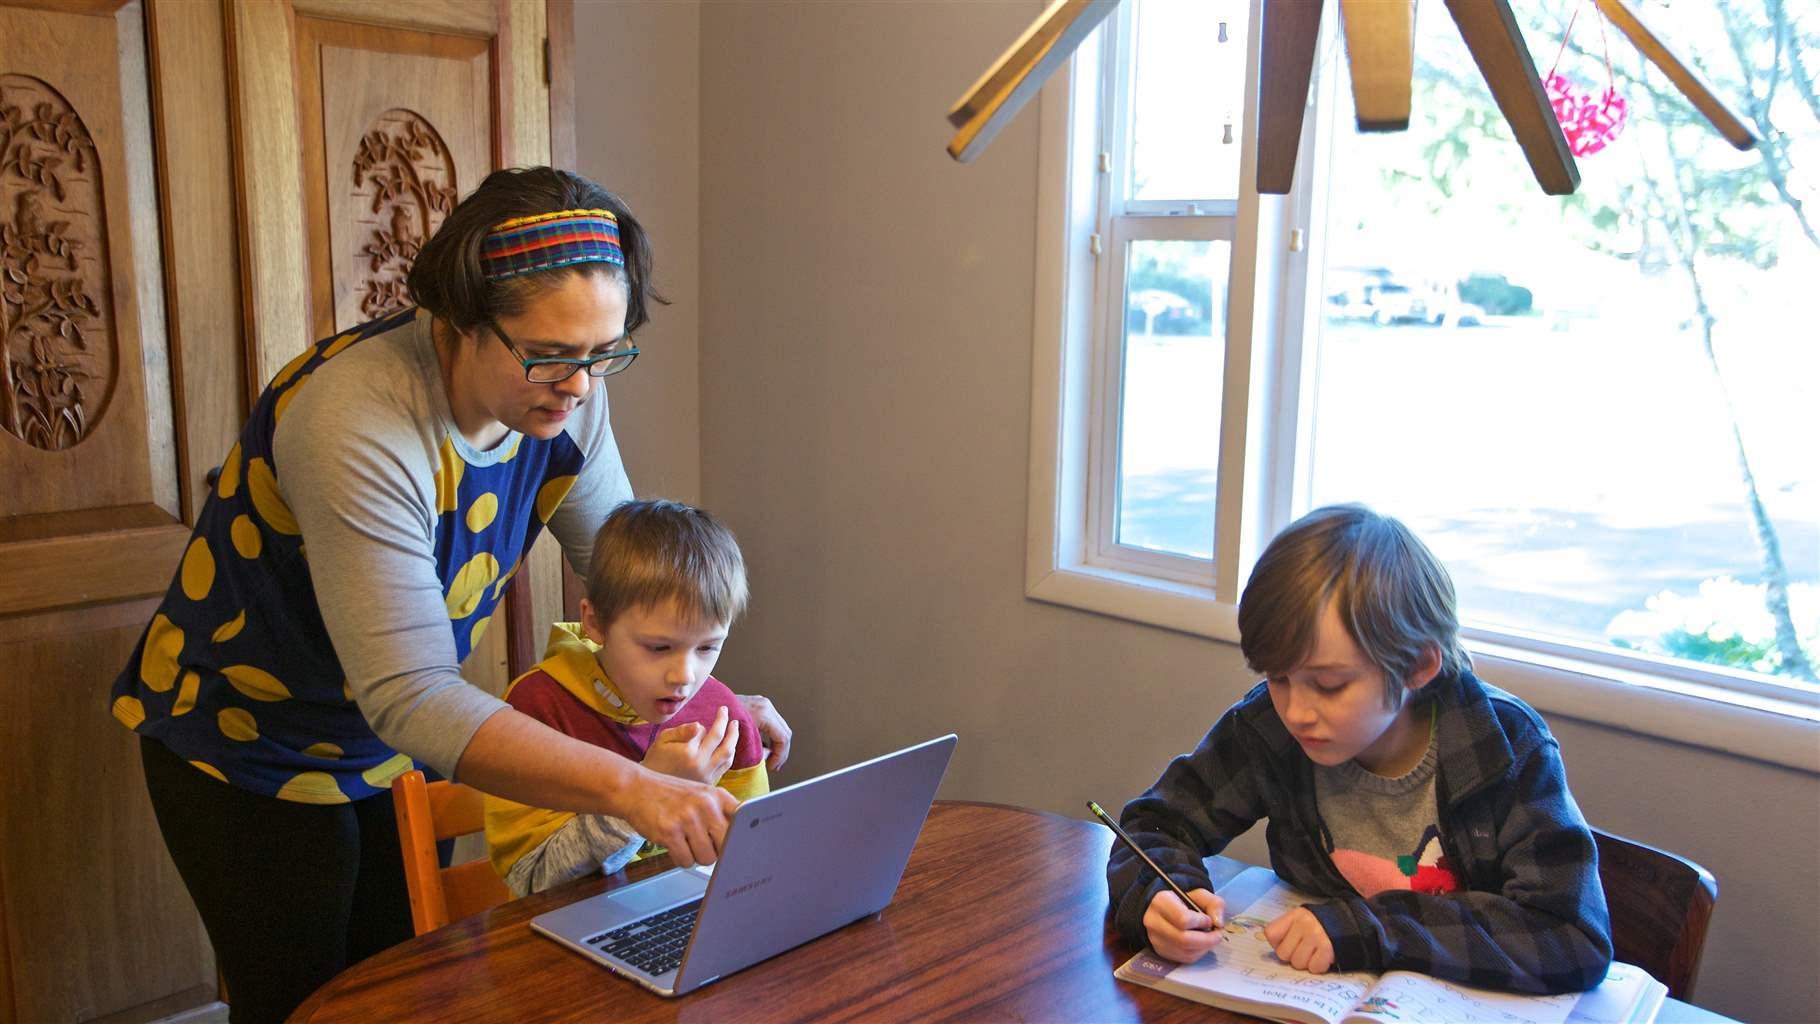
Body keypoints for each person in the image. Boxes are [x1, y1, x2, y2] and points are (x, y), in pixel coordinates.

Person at [107, 167, 792, 1023]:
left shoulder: (568, 397)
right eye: (551, 355)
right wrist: (632, 789)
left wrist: (707, 699)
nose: (580, 386)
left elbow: (640, 592)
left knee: (404, 995)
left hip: (389, 740)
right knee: (302, 1003)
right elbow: (411, 692)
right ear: (461, 320)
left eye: (602, 353)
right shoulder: (355, 418)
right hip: (248, 738)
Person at [1107, 504, 1612, 995]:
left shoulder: (1505, 745)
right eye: (1278, 678)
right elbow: (1156, 825)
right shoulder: (1268, 729)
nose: (1297, 711)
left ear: (1417, 667)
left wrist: (1366, 929)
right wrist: (1160, 895)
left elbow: (1570, 934)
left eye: (1329, 685)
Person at [485, 499, 769, 897]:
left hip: (685, 917)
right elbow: (533, 882)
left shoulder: (723, 719)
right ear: (595, 623)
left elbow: (753, 860)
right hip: (569, 924)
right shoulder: (537, 709)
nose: (685, 676)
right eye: (658, 648)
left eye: (707, 648)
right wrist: (648, 793)